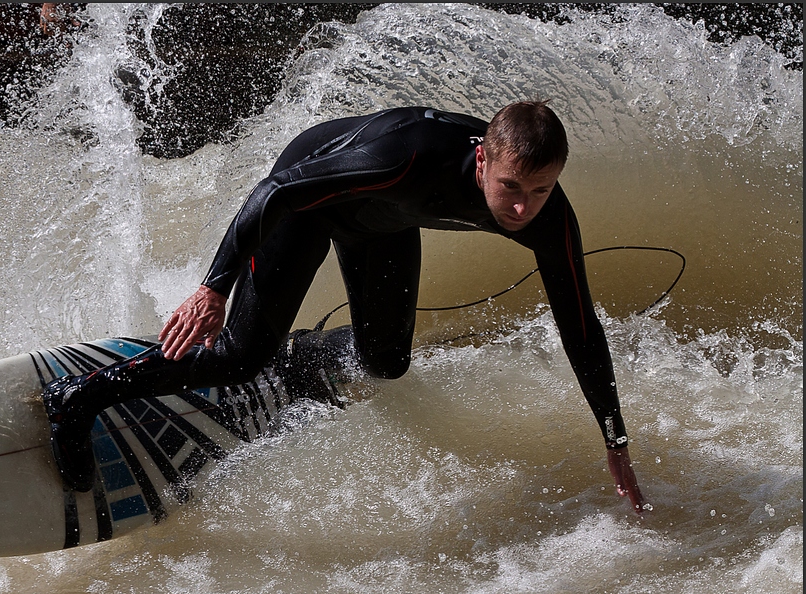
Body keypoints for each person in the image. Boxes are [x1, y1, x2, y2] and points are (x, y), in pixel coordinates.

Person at [43, 101, 646, 513]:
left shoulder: (548, 219)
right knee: (236, 358)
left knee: (385, 363)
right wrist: (213, 288)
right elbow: (278, 192)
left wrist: (614, 439)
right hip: (309, 198)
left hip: (382, 223)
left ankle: (300, 360)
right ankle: (78, 401)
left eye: (539, 191)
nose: (521, 210)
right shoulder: (405, 158)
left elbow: (581, 330)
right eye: (510, 188)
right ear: (484, 160)